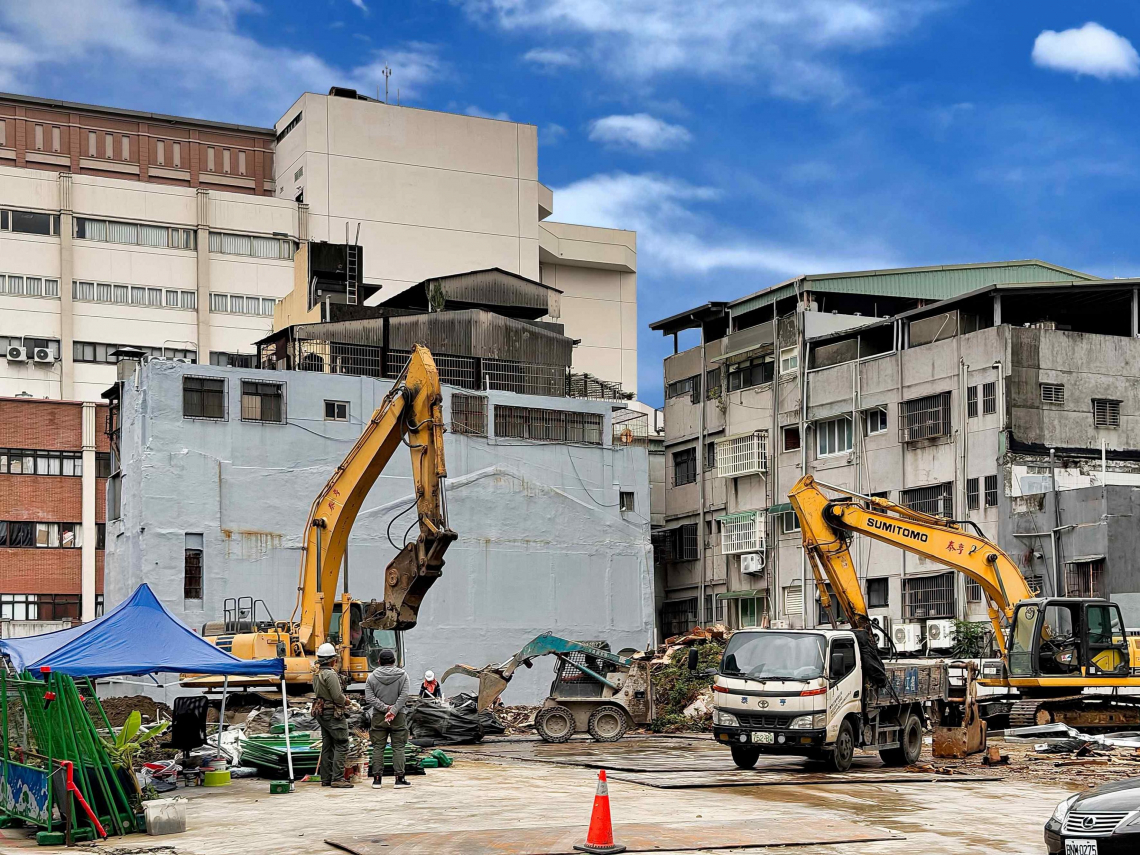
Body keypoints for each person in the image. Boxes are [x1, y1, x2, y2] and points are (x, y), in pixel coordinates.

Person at [364, 648, 411, 789]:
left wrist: (384, 708)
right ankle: (399, 779)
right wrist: (394, 710)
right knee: (398, 747)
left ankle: (377, 780)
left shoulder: (371, 677)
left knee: (378, 747)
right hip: (398, 716)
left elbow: (369, 697)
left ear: (378, 661)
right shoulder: (403, 676)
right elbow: (404, 695)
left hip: (378, 716)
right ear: (394, 661)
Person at [311, 643, 353, 788]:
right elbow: (337, 696)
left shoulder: (316, 674)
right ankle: (338, 778)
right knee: (341, 743)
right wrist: (347, 702)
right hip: (332, 714)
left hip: (321, 713)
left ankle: (326, 778)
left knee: (327, 745)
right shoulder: (330, 674)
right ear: (332, 660)